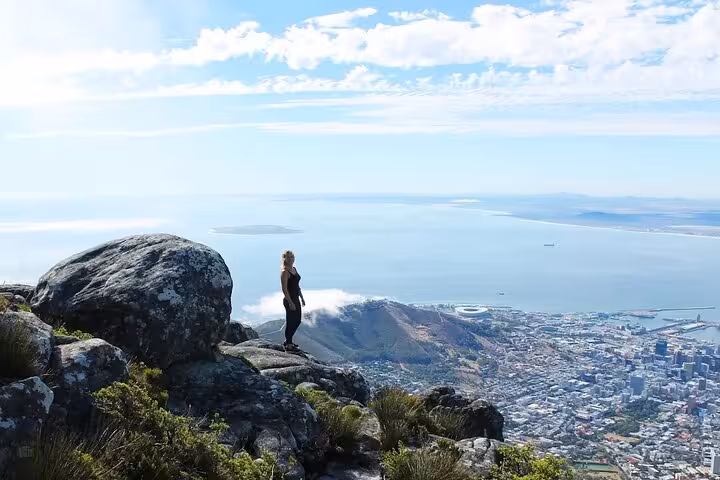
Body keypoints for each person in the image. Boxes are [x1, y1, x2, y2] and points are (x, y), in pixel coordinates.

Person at [280, 249, 305, 351]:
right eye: (289, 257)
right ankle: (288, 344)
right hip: (289, 300)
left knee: (297, 320)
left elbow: (297, 286)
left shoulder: (294, 269)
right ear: (284, 259)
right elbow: (284, 289)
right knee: (290, 321)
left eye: (292, 257)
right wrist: (290, 302)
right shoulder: (285, 272)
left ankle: (288, 341)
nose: (291, 259)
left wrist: (302, 297)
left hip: (296, 298)